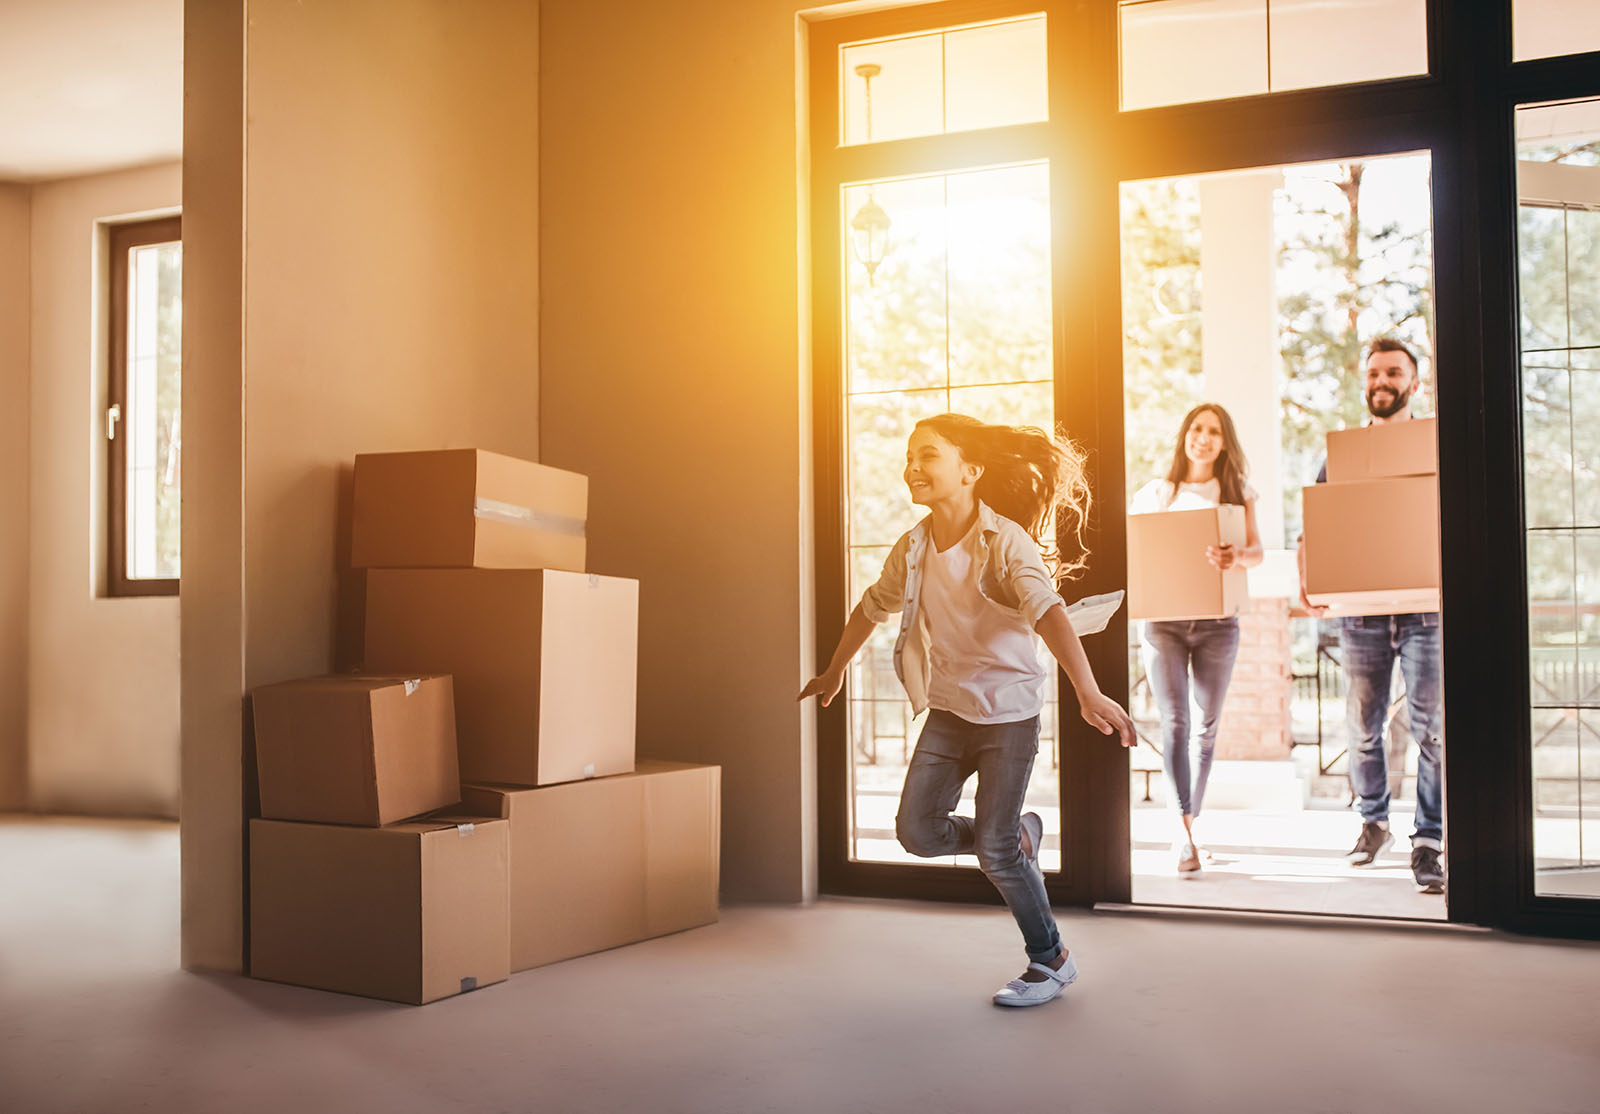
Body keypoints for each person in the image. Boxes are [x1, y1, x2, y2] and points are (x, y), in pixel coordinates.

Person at [799, 413, 1135, 1008]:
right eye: (910, 456)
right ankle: (1012, 836)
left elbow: (1049, 611)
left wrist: (1086, 690)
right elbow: (870, 607)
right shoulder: (913, 546)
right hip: (951, 712)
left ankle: (1050, 959)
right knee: (916, 832)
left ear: (970, 471)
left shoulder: (1005, 541)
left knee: (996, 854)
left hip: (1009, 714)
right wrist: (834, 670)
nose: (913, 466)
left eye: (928, 455)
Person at [1298, 337, 1445, 894]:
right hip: (1359, 614)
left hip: (1425, 610)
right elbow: (1314, 524)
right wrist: (1309, 580)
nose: (1381, 382)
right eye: (1374, 373)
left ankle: (1429, 839)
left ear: (1413, 382)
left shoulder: (1432, 446)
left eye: (1393, 373)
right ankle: (1373, 823)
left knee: (1433, 731)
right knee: (1362, 727)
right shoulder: (1341, 455)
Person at [1129, 403, 1263, 874]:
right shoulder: (1156, 493)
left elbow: (1256, 552)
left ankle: (1189, 824)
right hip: (1163, 624)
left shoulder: (1237, 491)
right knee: (1175, 724)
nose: (1203, 437)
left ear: (1224, 442)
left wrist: (1236, 557)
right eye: (1196, 428)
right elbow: (1137, 552)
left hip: (1217, 624)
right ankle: (1182, 833)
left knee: (1205, 729)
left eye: (1213, 431)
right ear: (1184, 435)